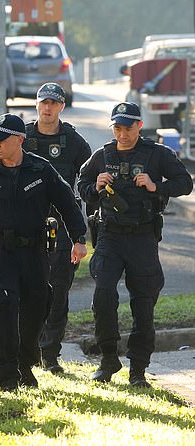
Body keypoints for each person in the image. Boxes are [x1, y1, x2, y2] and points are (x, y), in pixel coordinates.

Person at [0, 113, 87, 391]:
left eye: (2, 139)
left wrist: (79, 238)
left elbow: (67, 203)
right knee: (3, 308)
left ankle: (25, 364)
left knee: (36, 307)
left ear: (20, 140)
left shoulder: (41, 170)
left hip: (34, 252)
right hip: (0, 251)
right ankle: (6, 374)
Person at [78, 102, 192, 387]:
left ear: (139, 126)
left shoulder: (157, 154)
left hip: (142, 237)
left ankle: (138, 369)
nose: (122, 134)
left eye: (127, 128)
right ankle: (108, 359)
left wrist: (157, 186)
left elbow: (185, 183)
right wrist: (96, 186)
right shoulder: (102, 155)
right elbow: (83, 185)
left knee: (144, 304)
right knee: (103, 295)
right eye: (117, 128)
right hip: (110, 236)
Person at [22, 82, 92, 374]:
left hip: (62, 221)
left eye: (53, 103)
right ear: (37, 104)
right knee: (27, 288)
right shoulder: (21, 136)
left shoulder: (74, 141)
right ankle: (28, 349)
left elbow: (88, 178)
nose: (47, 108)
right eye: (43, 102)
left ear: (62, 106)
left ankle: (50, 355)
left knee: (58, 290)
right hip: (27, 221)